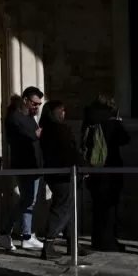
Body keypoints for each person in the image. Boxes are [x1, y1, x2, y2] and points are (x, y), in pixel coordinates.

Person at [38, 100, 86, 261]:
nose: (63, 113)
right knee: (63, 208)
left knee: (70, 208)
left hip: (59, 174)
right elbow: (70, 152)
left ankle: (73, 244)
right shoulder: (60, 129)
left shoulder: (45, 130)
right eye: (60, 111)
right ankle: (49, 244)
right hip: (64, 175)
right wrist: (82, 166)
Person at [81, 95, 130, 252]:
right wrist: (120, 123)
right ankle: (108, 242)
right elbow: (125, 139)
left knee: (97, 207)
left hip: (94, 170)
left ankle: (97, 240)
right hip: (110, 169)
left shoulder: (89, 122)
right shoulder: (113, 123)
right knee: (110, 207)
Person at [0, 86, 46, 252]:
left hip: (34, 163)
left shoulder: (28, 116)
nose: (37, 107)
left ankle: (27, 236)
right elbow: (31, 136)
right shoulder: (15, 117)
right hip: (24, 163)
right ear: (25, 100)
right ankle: (5, 232)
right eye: (34, 103)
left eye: (39, 104)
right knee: (27, 200)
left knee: (29, 200)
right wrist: (36, 134)